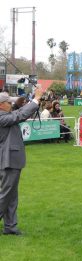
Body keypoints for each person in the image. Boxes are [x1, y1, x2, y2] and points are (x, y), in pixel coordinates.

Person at [0, 88, 43, 235]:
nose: (11, 104)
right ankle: (10, 226)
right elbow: (19, 115)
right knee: (6, 195)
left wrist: (29, 102)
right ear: (1, 105)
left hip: (10, 160)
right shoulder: (2, 117)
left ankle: (10, 227)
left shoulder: (6, 114)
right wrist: (36, 99)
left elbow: (19, 113)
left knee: (11, 196)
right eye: (8, 102)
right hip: (8, 161)